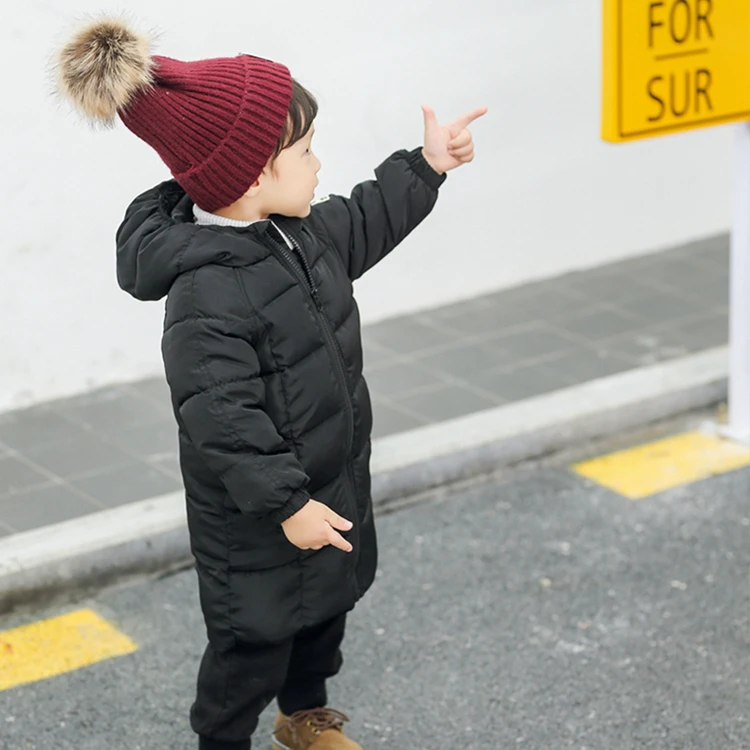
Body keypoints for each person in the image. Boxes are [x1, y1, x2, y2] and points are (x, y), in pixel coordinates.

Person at [55, 16, 486, 750]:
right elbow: (219, 417)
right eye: (306, 150)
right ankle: (225, 740)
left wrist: (426, 165)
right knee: (251, 648)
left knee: (322, 618)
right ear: (252, 175)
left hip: (330, 486)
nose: (319, 165)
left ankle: (304, 718)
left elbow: (365, 220)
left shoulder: (298, 230)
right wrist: (287, 504)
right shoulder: (208, 293)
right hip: (261, 521)